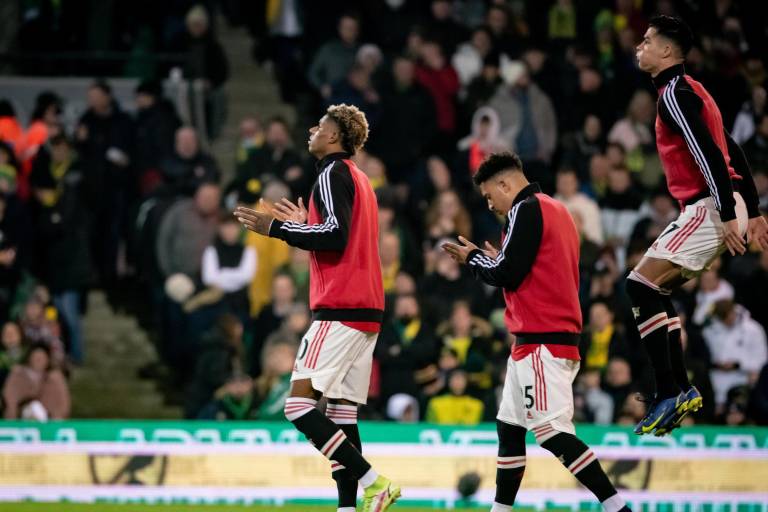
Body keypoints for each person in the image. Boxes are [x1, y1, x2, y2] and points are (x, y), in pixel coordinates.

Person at [234, 104, 400, 512]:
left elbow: (334, 236)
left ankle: (373, 482)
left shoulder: (330, 173)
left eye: (320, 125)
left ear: (335, 136)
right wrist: (307, 224)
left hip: (339, 307)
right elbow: (340, 232)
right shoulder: (360, 180)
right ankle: (348, 508)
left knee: (297, 405)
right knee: (343, 416)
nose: (312, 129)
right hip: (367, 310)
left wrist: (275, 228)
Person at [442, 152, 630, 512]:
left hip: (542, 341)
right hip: (536, 341)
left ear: (505, 184)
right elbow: (528, 270)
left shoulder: (525, 210)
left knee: (552, 432)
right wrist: (497, 262)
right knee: (509, 428)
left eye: (489, 195)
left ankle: (617, 507)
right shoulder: (555, 209)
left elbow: (507, 272)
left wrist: (474, 260)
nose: (489, 203)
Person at [627, 15, 768, 436]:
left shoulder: (673, 94)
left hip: (709, 206)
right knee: (655, 289)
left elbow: (709, 154)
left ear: (667, 51)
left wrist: (728, 213)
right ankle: (678, 389)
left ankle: (671, 389)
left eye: (648, 40)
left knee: (638, 285)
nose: (640, 45)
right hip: (719, 203)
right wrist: (754, 211)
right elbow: (732, 148)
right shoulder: (695, 91)